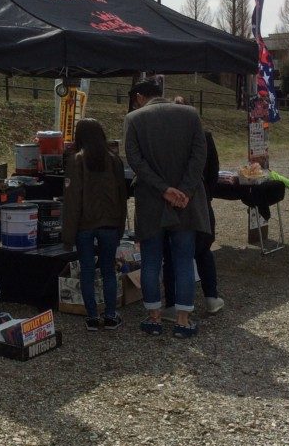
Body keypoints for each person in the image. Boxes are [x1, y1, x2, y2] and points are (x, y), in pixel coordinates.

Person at [124, 79, 210, 338]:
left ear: (140, 97)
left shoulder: (134, 119)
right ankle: (183, 320)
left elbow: (135, 161)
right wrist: (184, 190)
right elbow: (200, 155)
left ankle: (154, 318)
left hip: (151, 199)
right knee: (184, 259)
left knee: (151, 260)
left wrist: (163, 189)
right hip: (185, 201)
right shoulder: (190, 114)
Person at [161, 97, 224, 321]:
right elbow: (213, 171)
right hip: (199, 203)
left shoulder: (164, 138)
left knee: (172, 255)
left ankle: (173, 304)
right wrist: (207, 196)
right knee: (202, 250)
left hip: (173, 203)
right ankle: (210, 297)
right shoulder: (204, 136)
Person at [62, 119, 128, 331]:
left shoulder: (76, 160)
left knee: (87, 271)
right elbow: (122, 196)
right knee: (108, 270)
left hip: (84, 225)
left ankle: (91, 316)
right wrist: (120, 226)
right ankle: (110, 315)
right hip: (110, 223)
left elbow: (72, 200)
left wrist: (67, 235)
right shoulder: (114, 160)